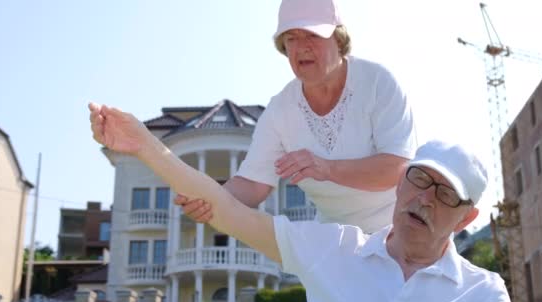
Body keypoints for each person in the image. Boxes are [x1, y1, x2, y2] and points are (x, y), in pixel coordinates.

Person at [89, 103, 542, 302]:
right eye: (419, 179)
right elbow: (228, 210)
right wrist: (145, 147)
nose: (425, 199)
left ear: (468, 218)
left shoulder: (482, 291)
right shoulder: (333, 250)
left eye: (446, 193)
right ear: (399, 183)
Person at [176, 0, 417, 233]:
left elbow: (396, 169)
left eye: (313, 35)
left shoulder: (377, 82)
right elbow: (252, 183)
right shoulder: (279, 111)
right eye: (291, 38)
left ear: (339, 39)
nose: (302, 47)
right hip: (337, 240)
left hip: (405, 230)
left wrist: (326, 168)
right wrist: (210, 198)